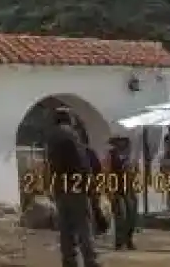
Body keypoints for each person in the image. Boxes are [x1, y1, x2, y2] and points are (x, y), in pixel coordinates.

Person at [46, 107, 101, 267]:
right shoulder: (71, 135)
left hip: (60, 187)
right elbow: (81, 162)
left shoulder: (51, 137)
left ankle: (69, 261)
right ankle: (91, 260)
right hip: (76, 186)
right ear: (68, 119)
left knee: (66, 227)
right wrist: (89, 184)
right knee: (83, 225)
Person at [107, 136, 138, 251]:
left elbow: (135, 170)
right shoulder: (111, 155)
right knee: (120, 215)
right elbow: (108, 172)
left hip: (130, 188)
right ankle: (119, 242)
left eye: (123, 140)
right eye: (119, 140)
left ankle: (129, 239)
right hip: (117, 189)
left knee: (131, 216)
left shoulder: (131, 154)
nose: (122, 142)